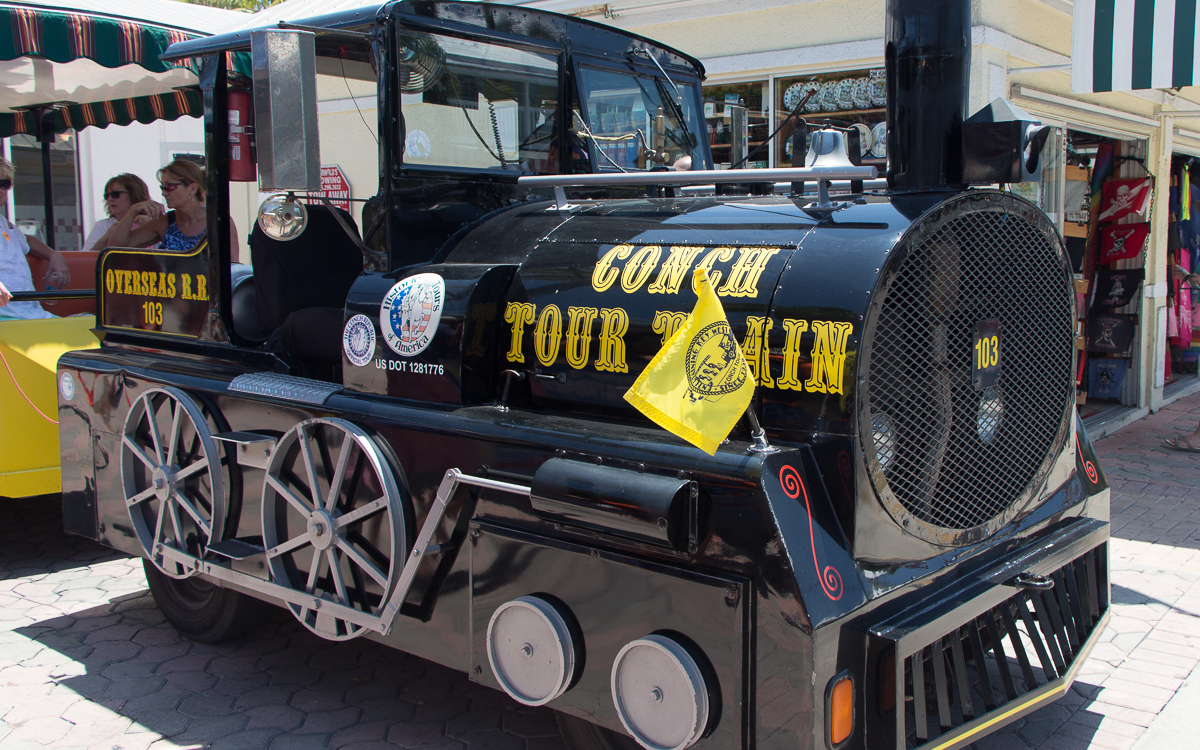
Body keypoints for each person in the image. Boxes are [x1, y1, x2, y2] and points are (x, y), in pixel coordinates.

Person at [93, 159, 238, 255]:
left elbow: (232, 266)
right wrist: (132, 211)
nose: (163, 192)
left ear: (192, 188)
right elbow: (116, 248)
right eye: (162, 187)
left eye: (170, 186)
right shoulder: (165, 222)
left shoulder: (219, 221)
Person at [0, 157, 71, 320]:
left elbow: (27, 241)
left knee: (91, 329)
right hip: (6, 319)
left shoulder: (6, 225)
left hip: (32, 315)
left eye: (4, 184)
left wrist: (54, 255)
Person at [81, 174, 155, 252]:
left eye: (115, 194)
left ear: (134, 194)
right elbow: (86, 258)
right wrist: (107, 236)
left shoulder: (151, 222)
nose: (110, 199)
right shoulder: (103, 226)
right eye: (107, 196)